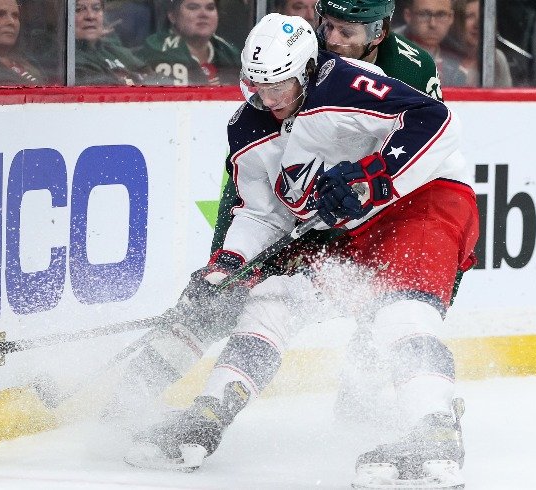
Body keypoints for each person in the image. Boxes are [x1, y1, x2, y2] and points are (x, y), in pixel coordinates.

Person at [124, 13, 478, 489]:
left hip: (422, 202)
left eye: (280, 87)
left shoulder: (344, 83)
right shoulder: (249, 127)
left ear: (308, 70)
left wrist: (371, 175)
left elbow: (436, 121)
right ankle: (206, 417)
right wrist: (225, 269)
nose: (267, 101)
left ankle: (434, 433)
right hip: (342, 228)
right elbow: (259, 214)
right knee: (272, 299)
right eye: (257, 86)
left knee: (400, 311)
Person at [138, 0, 240, 85]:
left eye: (210, 8)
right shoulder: (156, 48)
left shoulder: (230, 53)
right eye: (193, 7)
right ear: (172, 16)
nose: (203, 14)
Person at [74, 0, 153, 85]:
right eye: (78, 9)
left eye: (96, 8)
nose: (91, 16)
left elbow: (151, 76)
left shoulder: (111, 49)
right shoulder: (68, 61)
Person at [396, 0, 466, 86]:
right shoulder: (387, 54)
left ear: (451, 18)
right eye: (424, 14)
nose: (433, 24)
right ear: (408, 15)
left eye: (441, 14)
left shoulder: (458, 67)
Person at [444, 0, 511, 87]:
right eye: (470, 16)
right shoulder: (442, 57)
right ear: (455, 20)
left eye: (483, 15)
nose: (478, 24)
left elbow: (505, 98)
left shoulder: (497, 59)